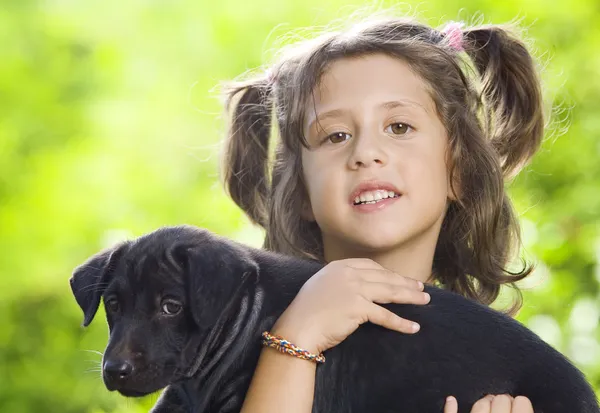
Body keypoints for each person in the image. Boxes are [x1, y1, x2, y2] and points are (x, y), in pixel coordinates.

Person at [219, 10, 546, 413]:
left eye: (399, 127)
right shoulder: (223, 347)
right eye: (335, 135)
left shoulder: (504, 368)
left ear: (459, 169)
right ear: (300, 191)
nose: (366, 153)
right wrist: (295, 339)